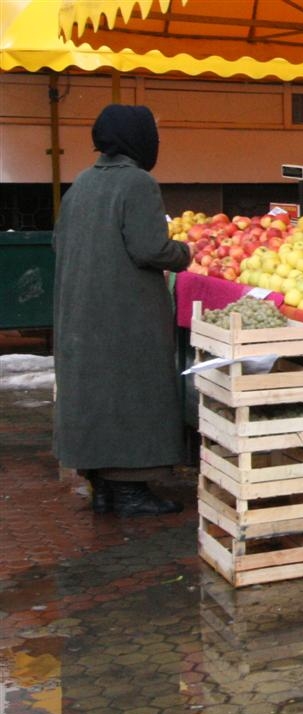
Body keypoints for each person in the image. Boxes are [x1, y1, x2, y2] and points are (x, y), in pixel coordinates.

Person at [52, 104, 191, 518]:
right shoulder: (137, 183)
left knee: (94, 397)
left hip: (80, 311)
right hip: (124, 313)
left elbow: (60, 243)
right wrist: (184, 252)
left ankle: (103, 489)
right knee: (132, 393)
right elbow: (150, 248)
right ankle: (130, 490)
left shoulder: (80, 183)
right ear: (138, 139)